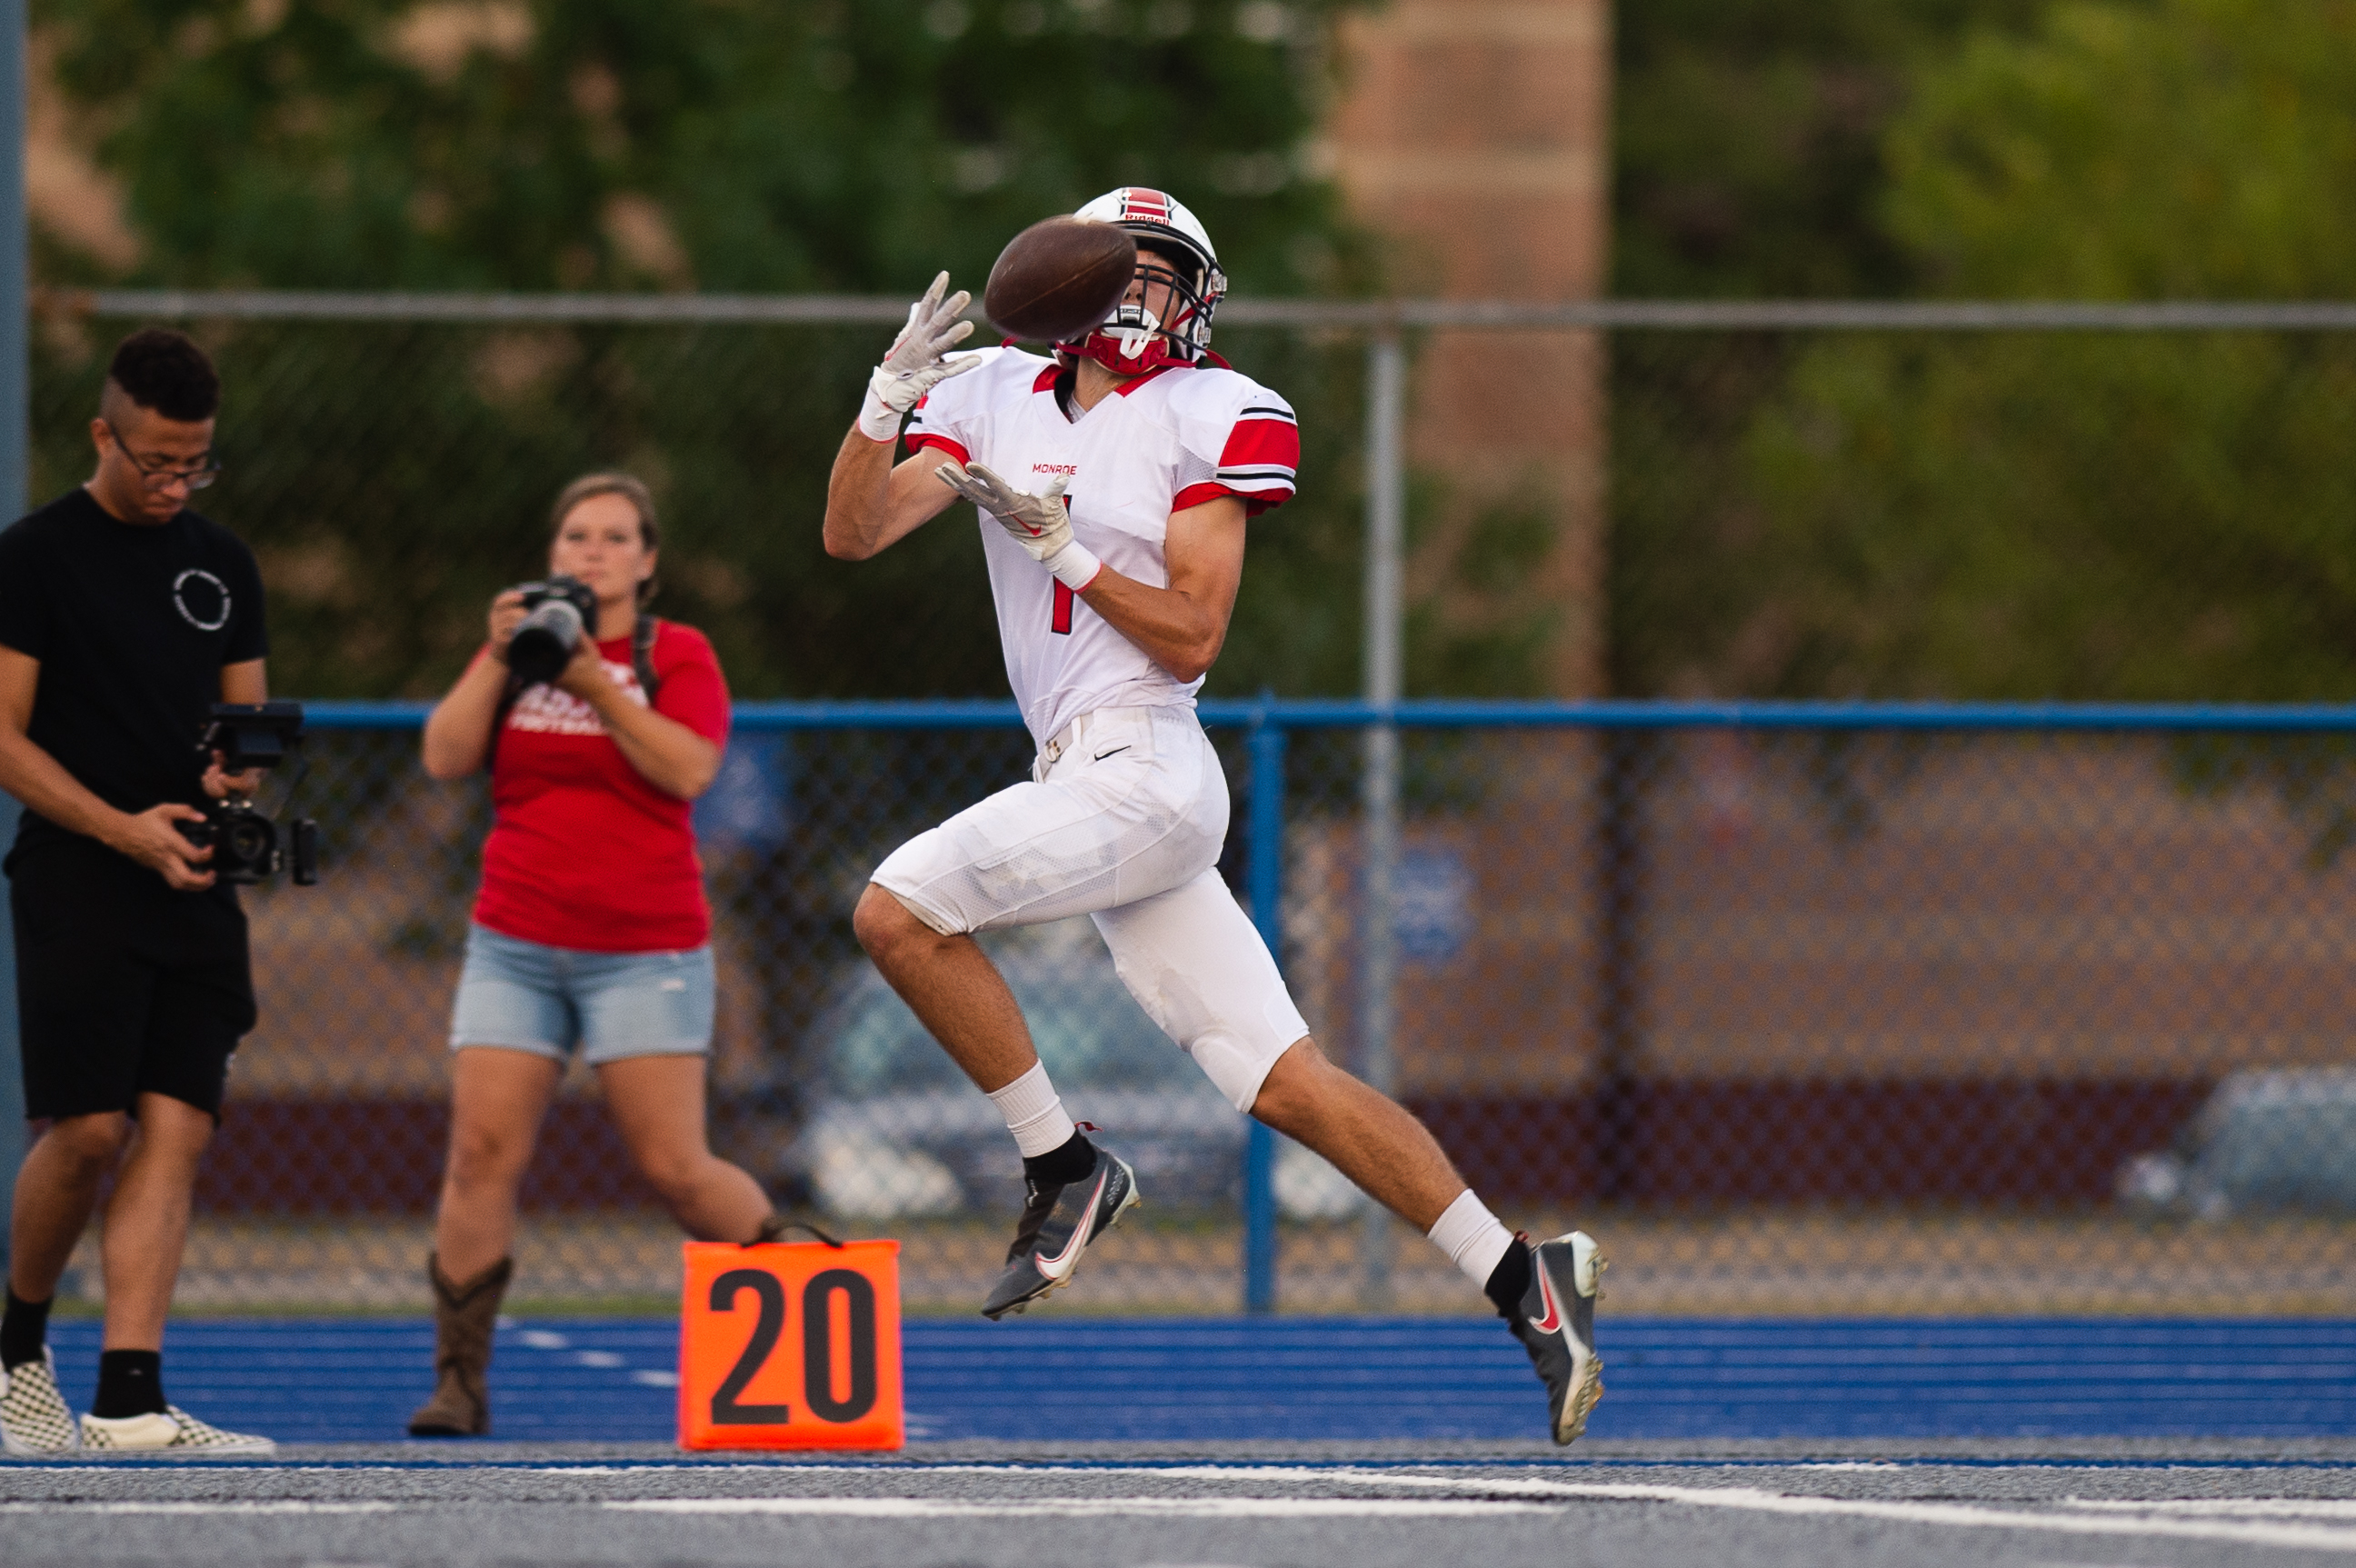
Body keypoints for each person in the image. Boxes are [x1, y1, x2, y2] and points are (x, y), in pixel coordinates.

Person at [822, 189, 1606, 1443]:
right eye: (1115, 269)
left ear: (1198, 293)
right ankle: (1524, 1274)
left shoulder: (1217, 411)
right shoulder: (988, 393)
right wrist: (882, 400)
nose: (1137, 293)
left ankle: (1065, 1164)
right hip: (1080, 772)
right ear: (1066, 285)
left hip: (1147, 768)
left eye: (1159, 272)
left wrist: (1069, 551)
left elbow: (1191, 634)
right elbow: (850, 533)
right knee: (1286, 1083)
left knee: (898, 908)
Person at [409, 473, 778, 1437]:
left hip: (642, 945)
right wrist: (500, 659)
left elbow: (690, 767)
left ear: (647, 562)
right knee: (480, 1154)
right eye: (577, 536)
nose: (593, 552)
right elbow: (445, 757)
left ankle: (802, 1303)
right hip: (515, 940)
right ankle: (459, 1380)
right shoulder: (519, 651)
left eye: (616, 538)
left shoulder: (675, 653)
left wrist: (594, 688)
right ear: (553, 551)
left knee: (675, 1167)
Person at [0, 329, 276, 1454]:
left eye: (194, 463)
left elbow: (246, 726)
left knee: (176, 1124)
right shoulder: (33, 557)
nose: (174, 483)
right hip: (80, 875)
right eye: (156, 460)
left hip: (195, 878)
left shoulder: (224, 561)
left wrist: (232, 773)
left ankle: (128, 1397)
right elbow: (3, 740)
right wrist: (122, 830)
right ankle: (16, 1350)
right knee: (88, 1131)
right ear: (103, 435)